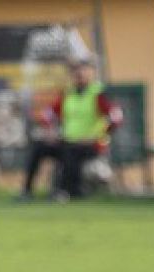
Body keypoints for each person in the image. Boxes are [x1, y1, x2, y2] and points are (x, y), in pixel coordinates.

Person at [46, 58, 122, 200]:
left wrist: (98, 136)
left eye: (83, 69)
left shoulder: (99, 93)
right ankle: (27, 191)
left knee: (71, 151)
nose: (79, 73)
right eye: (76, 70)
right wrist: (50, 132)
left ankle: (66, 191)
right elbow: (48, 114)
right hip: (68, 140)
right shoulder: (68, 93)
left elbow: (116, 117)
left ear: (91, 72)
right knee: (41, 147)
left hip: (92, 144)